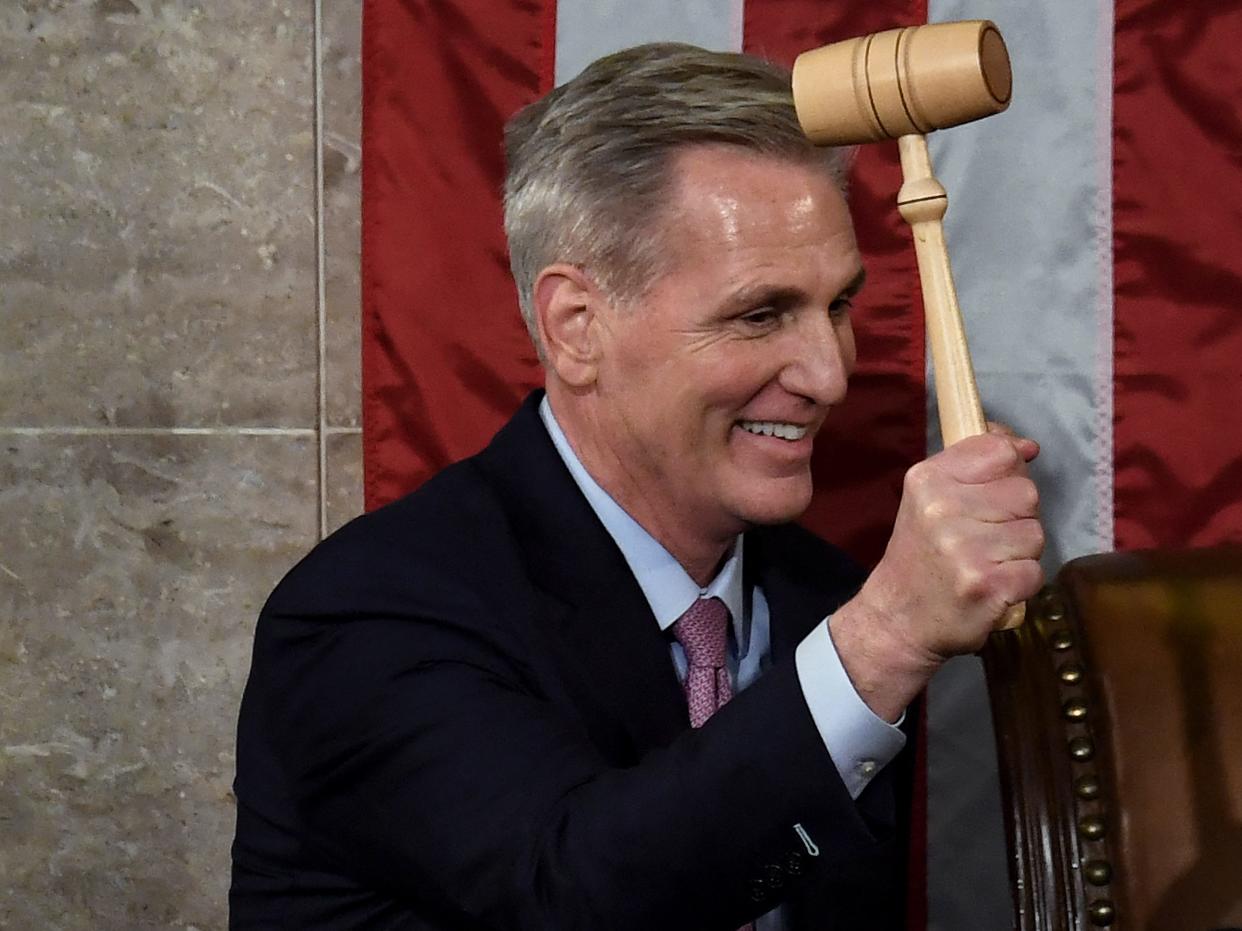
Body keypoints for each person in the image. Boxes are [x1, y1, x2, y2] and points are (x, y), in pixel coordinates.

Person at [230, 43, 1043, 930]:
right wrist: (885, 638)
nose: (829, 375)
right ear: (577, 328)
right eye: (760, 313)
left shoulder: (823, 600)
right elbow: (577, 895)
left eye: (838, 306)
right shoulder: (365, 614)